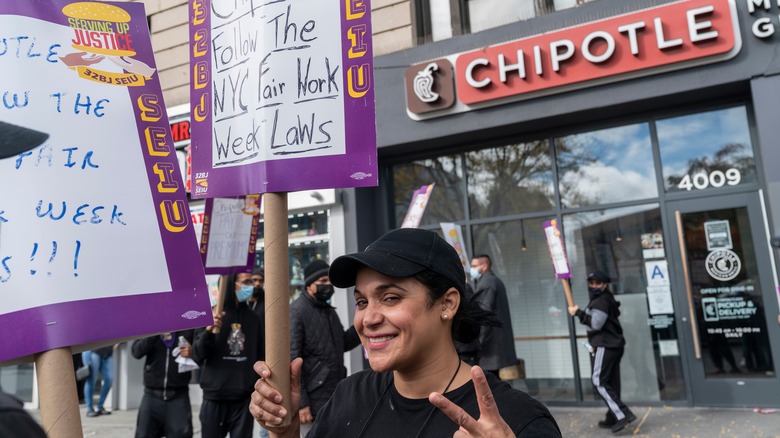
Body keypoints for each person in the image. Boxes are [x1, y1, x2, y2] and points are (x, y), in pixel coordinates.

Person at [250, 228, 561, 437]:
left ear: (447, 303)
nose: (367, 319)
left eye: (390, 298)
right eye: (361, 301)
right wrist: (286, 432)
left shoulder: (517, 420)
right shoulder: (348, 396)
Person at [290, 259, 361, 436]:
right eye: (322, 282)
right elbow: (292, 358)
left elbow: (342, 343)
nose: (327, 285)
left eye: (329, 281)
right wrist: (302, 404)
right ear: (308, 285)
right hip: (312, 401)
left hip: (333, 394)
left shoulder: (329, 311)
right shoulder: (297, 312)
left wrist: (361, 325)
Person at [193, 271, 263, 438]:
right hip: (214, 396)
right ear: (232, 285)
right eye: (246, 282)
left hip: (243, 398)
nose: (250, 286)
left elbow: (260, 355)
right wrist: (208, 333)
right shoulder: (211, 314)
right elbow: (197, 354)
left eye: (251, 282)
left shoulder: (254, 319)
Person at [568, 270, 636, 433]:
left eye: (597, 283)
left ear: (604, 284)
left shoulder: (601, 301)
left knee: (598, 380)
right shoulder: (605, 299)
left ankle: (622, 414)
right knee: (611, 381)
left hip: (605, 344)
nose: (594, 286)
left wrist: (578, 313)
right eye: (591, 283)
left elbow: (596, 324)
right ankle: (612, 415)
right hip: (614, 344)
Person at [131, 330, 196, 438]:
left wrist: (193, 352)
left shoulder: (188, 327)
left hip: (178, 396)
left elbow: (202, 353)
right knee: (143, 434)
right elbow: (136, 352)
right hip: (152, 395)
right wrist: (153, 334)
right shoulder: (149, 327)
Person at [469, 254, 517, 376]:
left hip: (490, 348)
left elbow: (483, 313)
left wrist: (478, 341)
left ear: (484, 266)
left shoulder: (487, 283)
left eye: (474, 266)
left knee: (490, 385)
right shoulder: (495, 281)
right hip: (496, 346)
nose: (471, 269)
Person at [82, 345, 115, 417]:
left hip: (107, 352)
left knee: (109, 379)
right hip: (93, 350)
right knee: (91, 380)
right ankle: (89, 409)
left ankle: (100, 407)